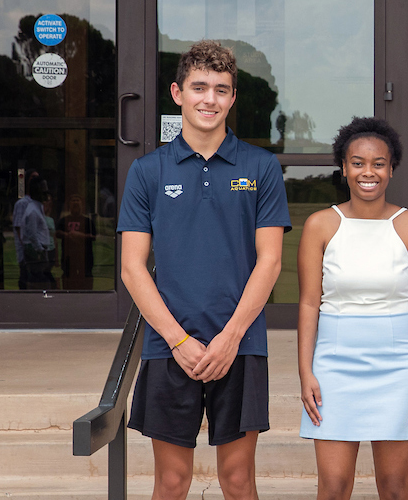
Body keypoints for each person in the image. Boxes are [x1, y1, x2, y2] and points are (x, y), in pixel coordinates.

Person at [117, 40, 291, 500]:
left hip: (241, 343)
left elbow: (270, 261)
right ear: (177, 93)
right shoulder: (148, 171)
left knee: (238, 482)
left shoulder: (261, 166)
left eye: (220, 89)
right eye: (199, 87)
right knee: (171, 483)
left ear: (233, 98)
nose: (209, 99)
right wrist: (178, 341)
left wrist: (230, 337)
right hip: (169, 345)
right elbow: (133, 269)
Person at [296, 117, 408, 499]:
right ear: (343, 167)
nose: (367, 172)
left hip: (399, 364)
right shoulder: (320, 224)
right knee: (335, 485)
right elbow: (309, 304)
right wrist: (305, 370)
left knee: (394, 487)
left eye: (378, 163)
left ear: (391, 168)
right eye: (357, 162)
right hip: (335, 363)